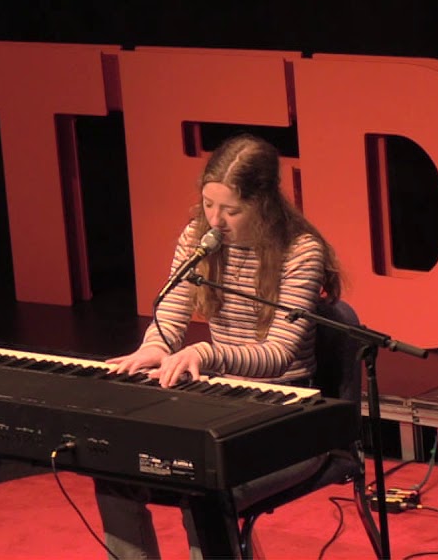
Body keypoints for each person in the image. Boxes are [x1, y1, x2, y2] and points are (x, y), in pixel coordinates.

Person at [95, 133, 343, 559]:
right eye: (209, 205)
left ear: (264, 203)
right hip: (222, 399)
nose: (215, 220)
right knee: (114, 471)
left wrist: (205, 354)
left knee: (202, 485)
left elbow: (279, 354)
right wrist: (156, 345)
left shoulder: (301, 252)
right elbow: (170, 312)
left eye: (231, 210)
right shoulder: (198, 238)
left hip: (285, 408)